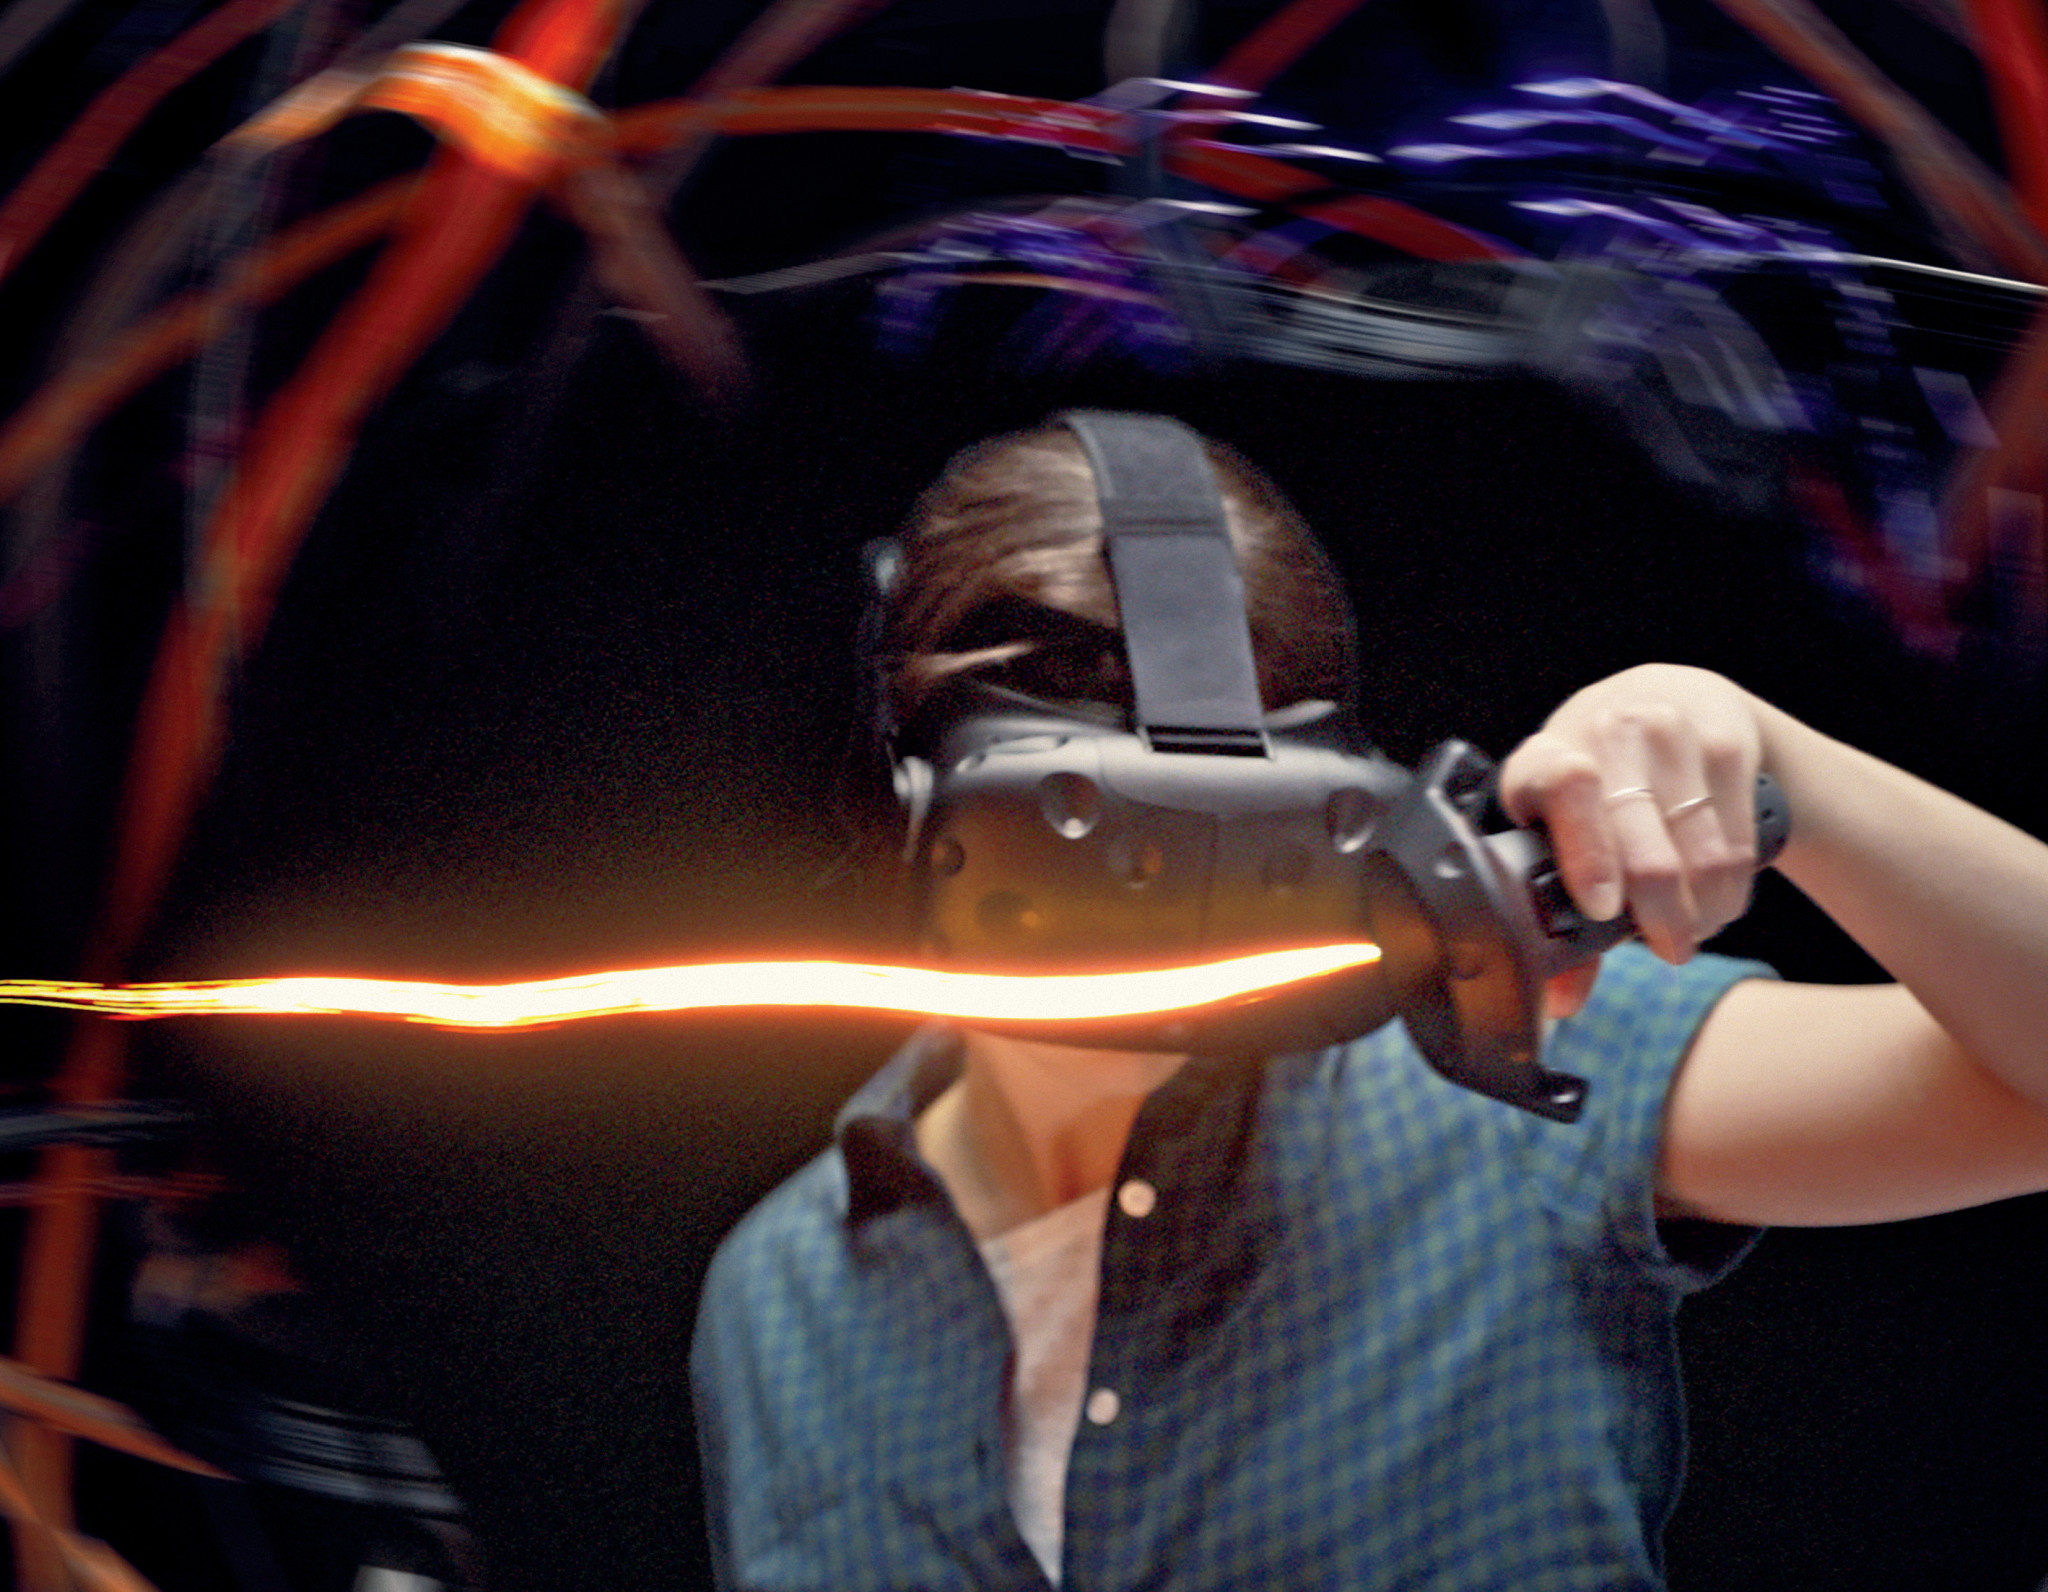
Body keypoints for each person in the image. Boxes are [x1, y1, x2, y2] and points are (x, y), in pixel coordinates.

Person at [690, 417, 2048, 1591]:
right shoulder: (778, 1304)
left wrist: (1782, 769)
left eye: (1238, 839)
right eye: (1098, 842)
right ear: (908, 810)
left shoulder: (1511, 1088)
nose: (1168, 921)